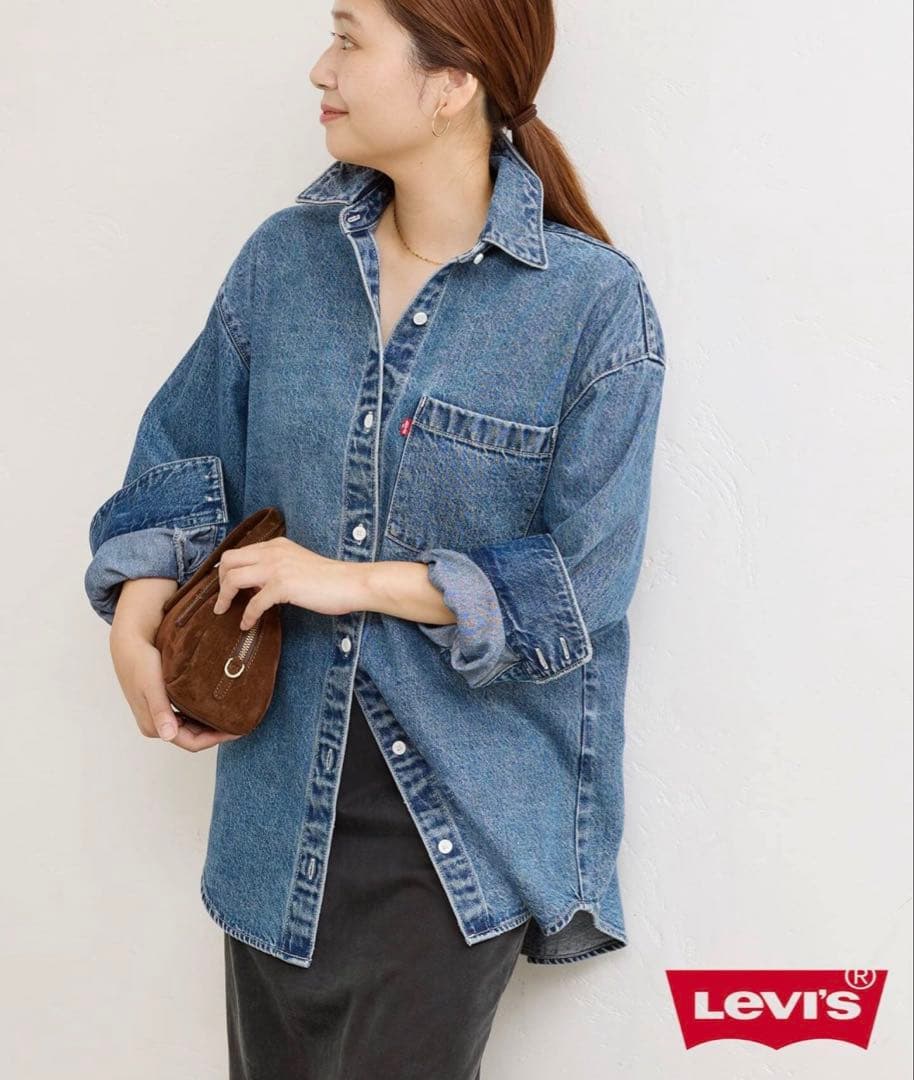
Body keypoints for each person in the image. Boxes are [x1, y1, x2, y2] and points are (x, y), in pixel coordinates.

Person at [83, 1, 667, 1076]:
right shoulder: (283, 264)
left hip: (456, 826)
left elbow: (581, 584)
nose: (322, 67)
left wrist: (350, 581)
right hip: (275, 819)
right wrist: (137, 614)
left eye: (350, 39)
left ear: (451, 84)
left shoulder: (590, 307)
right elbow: (181, 455)